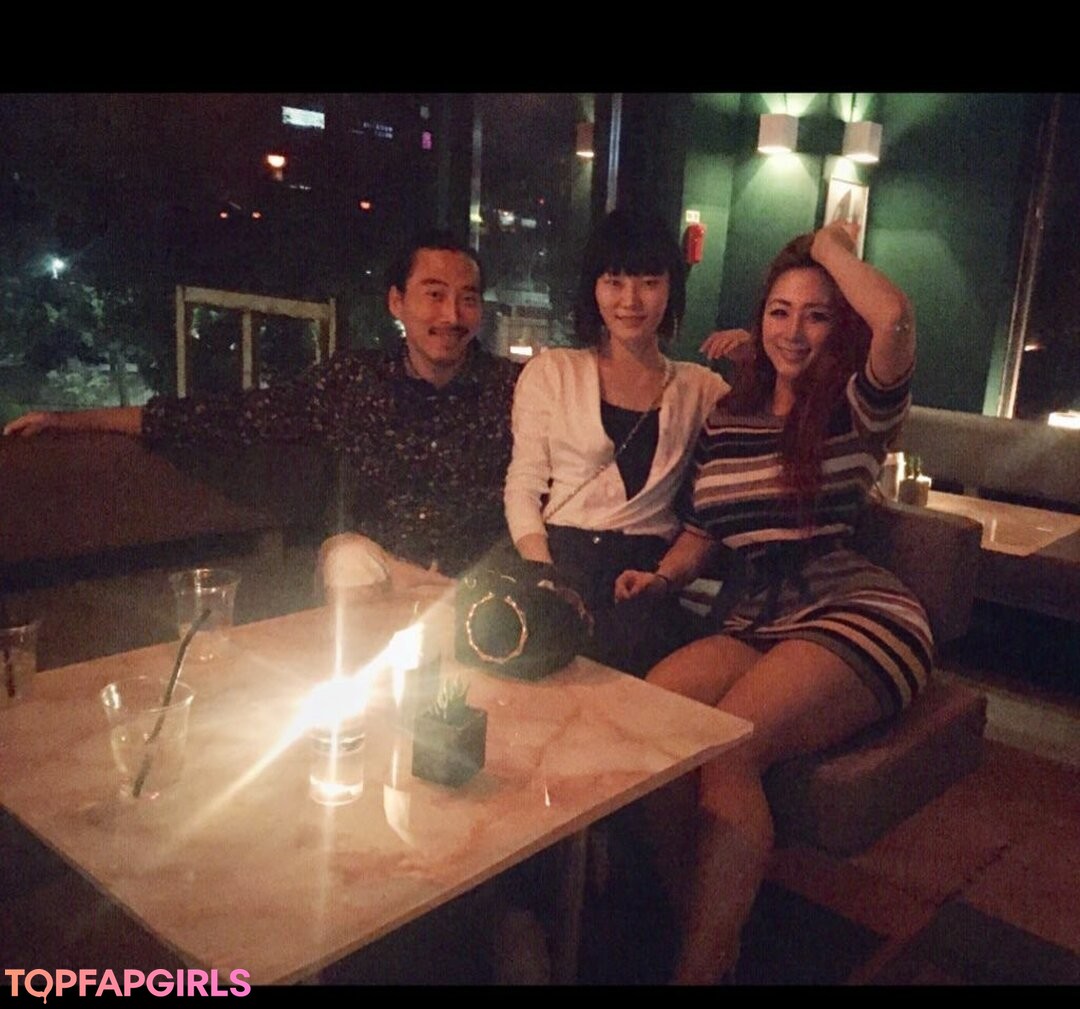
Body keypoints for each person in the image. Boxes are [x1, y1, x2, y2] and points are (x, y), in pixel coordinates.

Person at [613, 220, 933, 983]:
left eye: (816, 315)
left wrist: (825, 246)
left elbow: (894, 318)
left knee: (729, 743)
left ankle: (696, 968)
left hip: (853, 610)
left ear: (838, 327)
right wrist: (662, 579)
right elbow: (701, 532)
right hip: (756, 615)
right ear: (761, 320)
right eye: (780, 311)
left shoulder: (856, 407)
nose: (794, 330)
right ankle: (709, 935)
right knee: (655, 719)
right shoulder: (728, 418)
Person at [4, 230, 522, 586]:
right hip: (380, 572)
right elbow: (224, 417)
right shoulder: (354, 381)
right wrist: (69, 420)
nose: (452, 315)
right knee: (347, 559)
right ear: (396, 302)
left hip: (483, 584)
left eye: (467, 298)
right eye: (434, 294)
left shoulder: (515, 390)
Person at [503, 208, 729, 676]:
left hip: (644, 574)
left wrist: (752, 358)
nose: (631, 300)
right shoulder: (552, 372)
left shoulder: (700, 389)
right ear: (594, 288)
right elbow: (523, 486)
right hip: (559, 556)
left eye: (649, 282)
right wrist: (544, 573)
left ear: (671, 288)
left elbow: (769, 425)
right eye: (614, 282)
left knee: (633, 666)